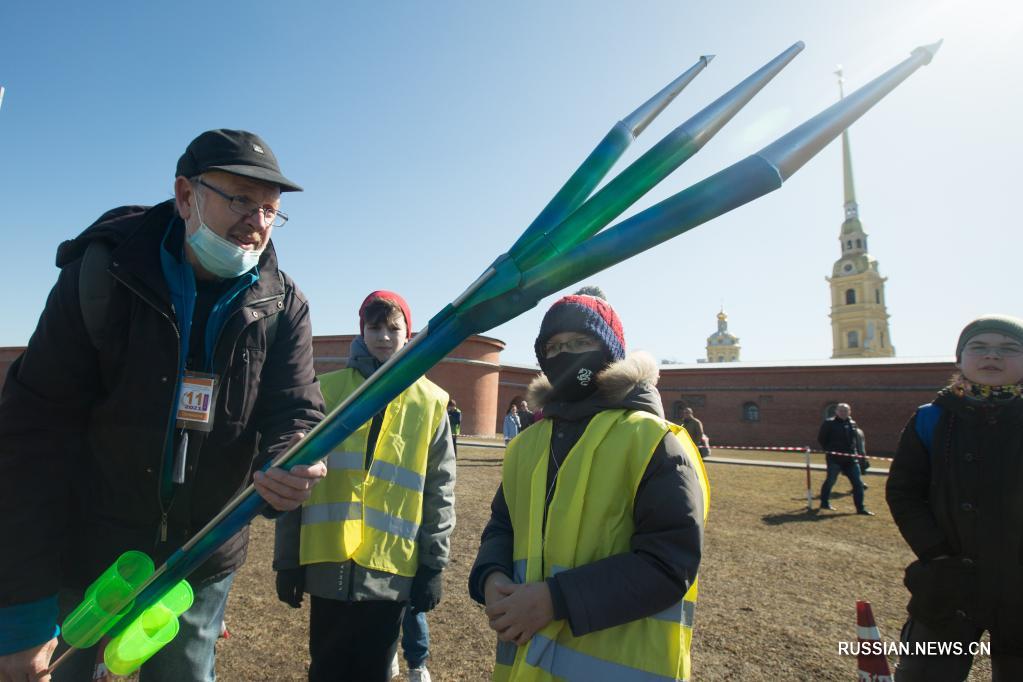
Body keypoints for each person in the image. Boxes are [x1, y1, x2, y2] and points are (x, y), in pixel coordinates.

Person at [0, 129, 327, 682]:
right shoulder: (102, 277)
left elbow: (296, 408)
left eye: (271, 209)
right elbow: (33, 438)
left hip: (196, 566)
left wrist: (290, 452)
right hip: (86, 554)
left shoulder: (283, 305)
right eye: (240, 199)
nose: (257, 221)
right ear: (185, 196)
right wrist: (23, 617)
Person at [469, 294, 708, 680]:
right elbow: (503, 526)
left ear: (611, 352)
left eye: (581, 343)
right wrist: (490, 575)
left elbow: (669, 562)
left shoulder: (653, 441)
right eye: (555, 347)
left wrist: (556, 600)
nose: (567, 354)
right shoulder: (527, 445)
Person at [274, 291, 455, 682]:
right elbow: (294, 477)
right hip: (327, 565)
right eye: (374, 327)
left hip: (389, 572)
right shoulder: (325, 391)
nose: (384, 337)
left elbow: (440, 491)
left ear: (410, 333)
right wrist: (287, 560)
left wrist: (433, 564)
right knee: (326, 670)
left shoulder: (431, 402)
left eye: (394, 328)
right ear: (361, 331)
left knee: (374, 672)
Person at [887, 315, 1023, 681]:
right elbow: (904, 491)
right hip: (948, 584)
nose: (992, 356)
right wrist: (935, 552)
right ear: (960, 359)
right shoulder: (931, 419)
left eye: (1008, 348)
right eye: (979, 347)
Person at [817, 402, 874, 515]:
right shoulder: (829, 423)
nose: (844, 413)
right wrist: (830, 451)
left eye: (846, 411)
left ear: (850, 412)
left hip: (851, 460)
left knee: (858, 484)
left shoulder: (852, 423)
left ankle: (860, 508)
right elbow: (821, 439)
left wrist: (856, 453)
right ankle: (824, 503)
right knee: (830, 481)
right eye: (841, 410)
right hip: (834, 459)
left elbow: (854, 440)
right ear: (836, 411)